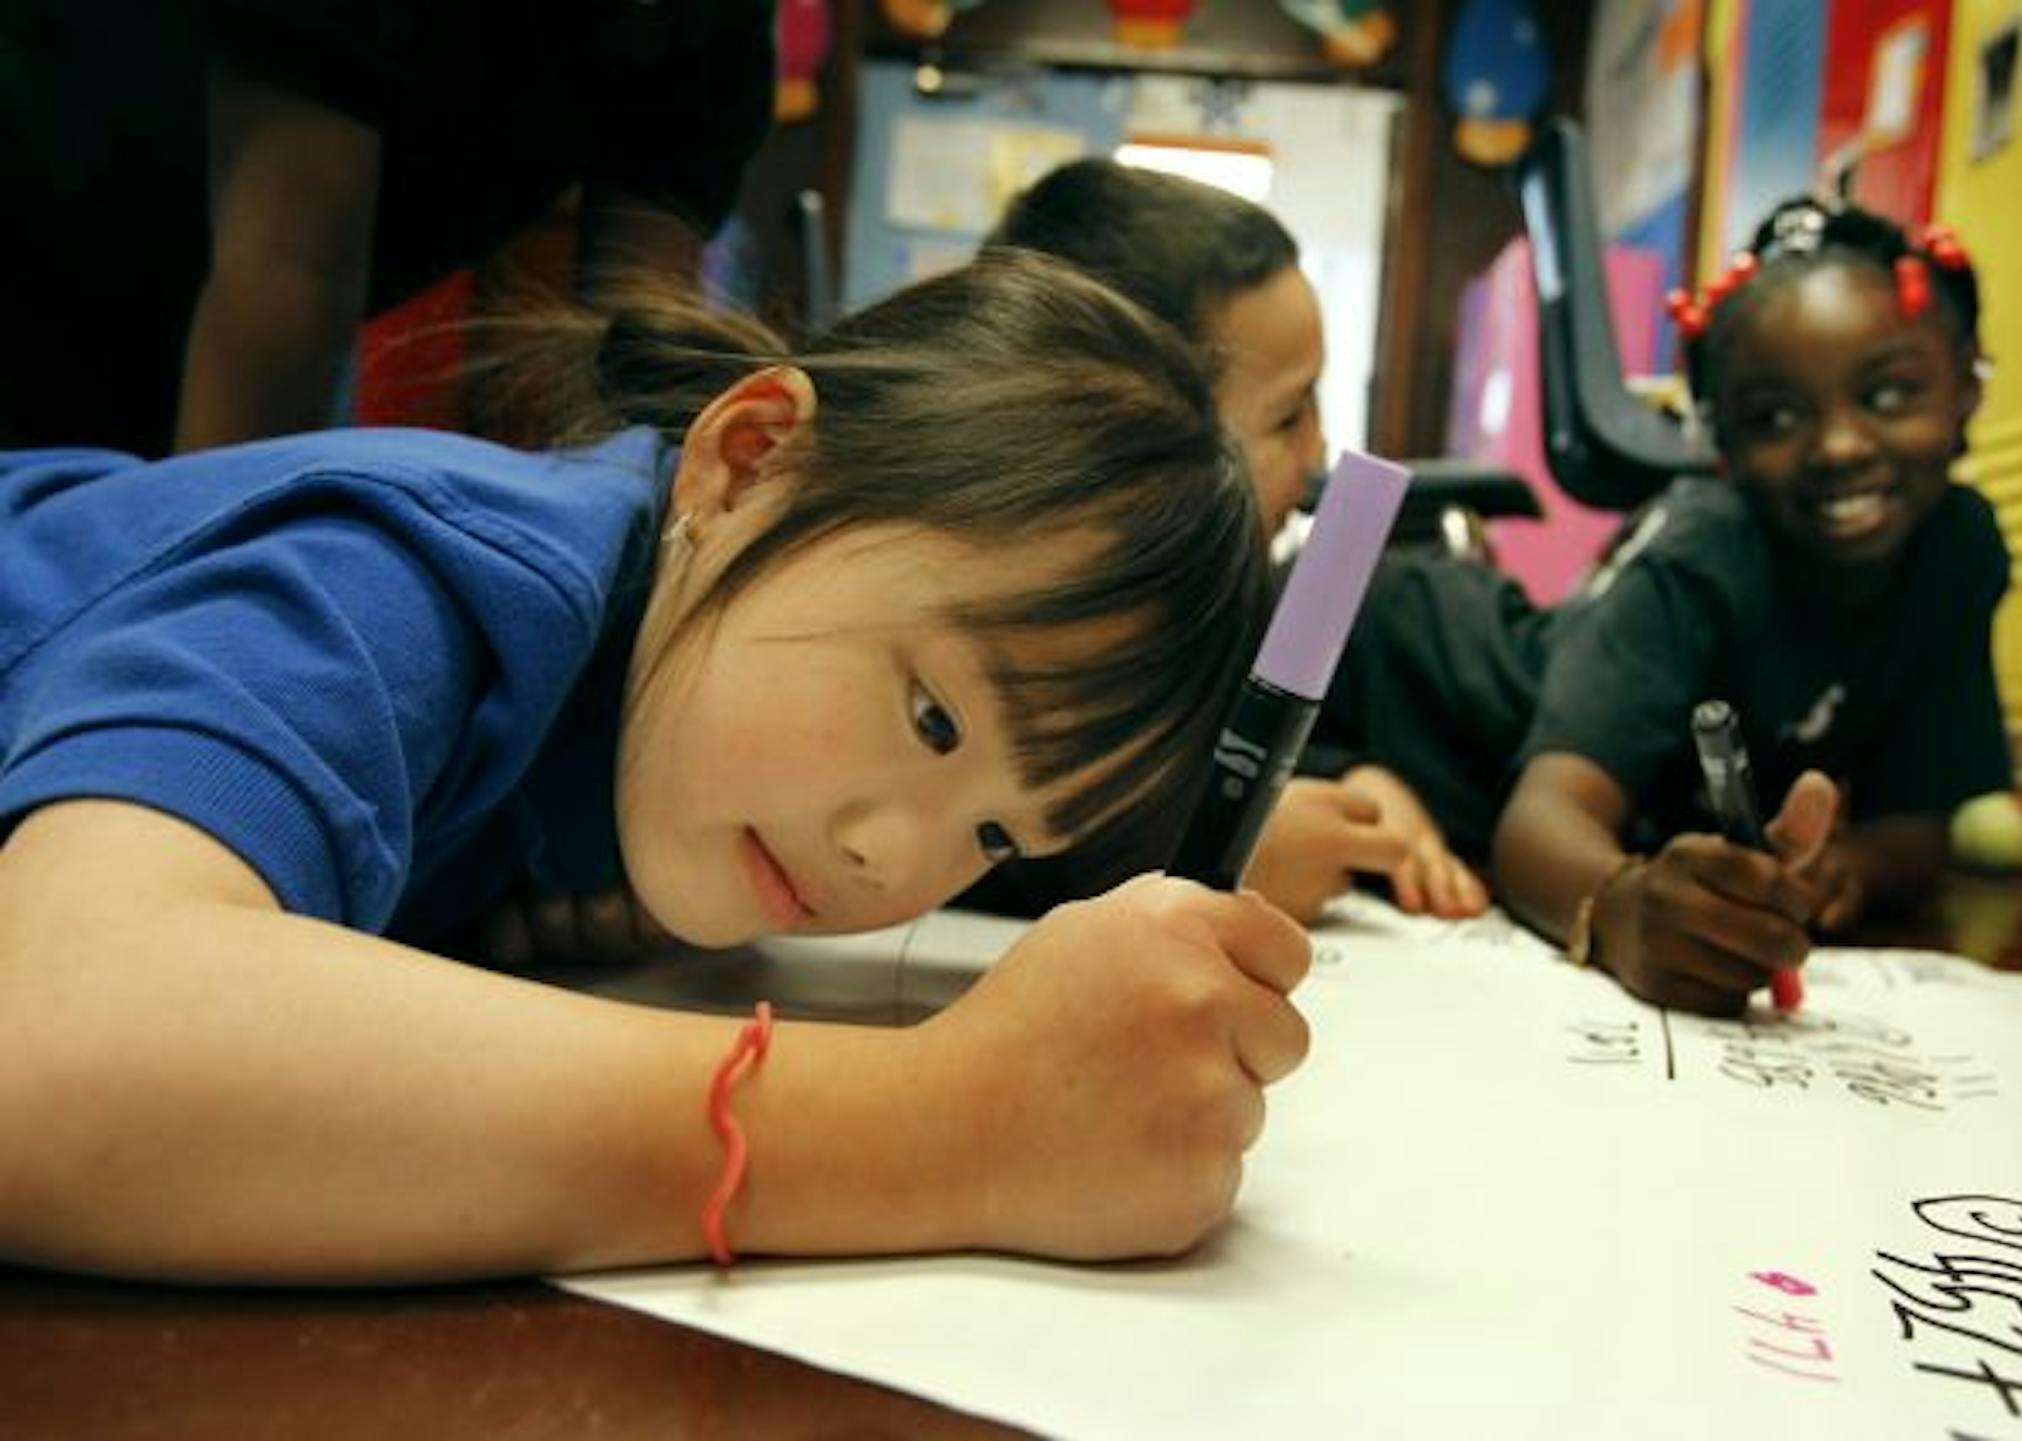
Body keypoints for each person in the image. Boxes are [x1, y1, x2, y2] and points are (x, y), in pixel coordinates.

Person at [0, 250, 1313, 1284]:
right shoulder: (406, 573)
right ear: (750, 462)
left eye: (992, 839)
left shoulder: (632, 746)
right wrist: (959, 1120)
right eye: (930, 719)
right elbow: (52, 1042)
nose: (895, 862)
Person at [1318, 195, 2009, 1016]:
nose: (1841, 444)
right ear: (1720, 442)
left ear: (1966, 390)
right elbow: (1540, 820)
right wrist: (1622, 908)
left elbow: (1914, 830)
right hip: (1374, 670)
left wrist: (1838, 870)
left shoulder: (1957, 550)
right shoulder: (1703, 546)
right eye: (1778, 416)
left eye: (1889, 395)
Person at [983, 156, 1490, 924]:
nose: (1320, 455)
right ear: (1117, 436)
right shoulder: (991, 613)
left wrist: (1345, 781)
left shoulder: (1209, 604)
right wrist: (1198, 855)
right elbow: (943, 837)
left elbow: (1193, 755)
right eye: (1289, 417)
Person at [0, 0, 775, 458]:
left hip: (167, 328)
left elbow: (637, 352)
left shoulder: (711, 27)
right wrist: (206, 614)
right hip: (45, 230)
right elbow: (295, 266)